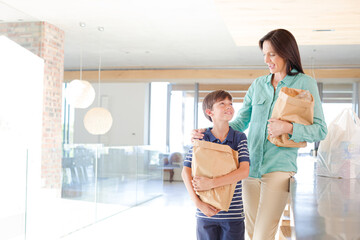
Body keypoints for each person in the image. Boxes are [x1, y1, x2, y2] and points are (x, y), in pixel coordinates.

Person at [191, 29, 327, 240]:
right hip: (250, 169)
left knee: (263, 235)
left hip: (279, 168)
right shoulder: (258, 85)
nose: (266, 60)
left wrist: (289, 128)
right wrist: (207, 132)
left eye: (271, 54)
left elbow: (320, 129)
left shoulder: (305, 83)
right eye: (264, 54)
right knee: (253, 233)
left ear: (286, 52)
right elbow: (239, 122)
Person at [182, 90, 250, 240]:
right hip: (205, 214)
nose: (229, 107)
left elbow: (244, 171)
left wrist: (211, 183)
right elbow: (185, 171)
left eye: (230, 104)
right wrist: (198, 204)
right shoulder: (201, 137)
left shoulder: (239, 137)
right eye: (222, 104)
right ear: (209, 112)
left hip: (233, 215)